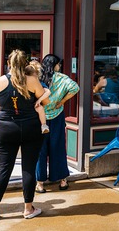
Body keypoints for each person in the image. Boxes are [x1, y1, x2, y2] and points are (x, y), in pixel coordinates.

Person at [0, 50, 49, 221]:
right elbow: (45, 102)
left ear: (8, 63)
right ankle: (28, 209)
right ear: (25, 64)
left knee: (4, 167)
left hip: (6, 128)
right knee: (28, 168)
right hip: (31, 127)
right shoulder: (32, 80)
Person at [35, 54, 73, 194]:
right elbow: (75, 88)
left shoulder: (38, 78)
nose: (60, 66)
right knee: (58, 148)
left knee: (40, 149)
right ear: (55, 65)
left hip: (40, 118)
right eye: (59, 64)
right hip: (57, 117)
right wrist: (62, 101)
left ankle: (40, 183)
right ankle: (62, 180)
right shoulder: (62, 78)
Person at [25, 61, 52, 134]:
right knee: (40, 109)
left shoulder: (39, 83)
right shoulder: (37, 82)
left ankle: (44, 125)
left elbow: (48, 92)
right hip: (31, 105)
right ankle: (44, 125)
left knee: (40, 108)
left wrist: (39, 100)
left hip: (34, 104)